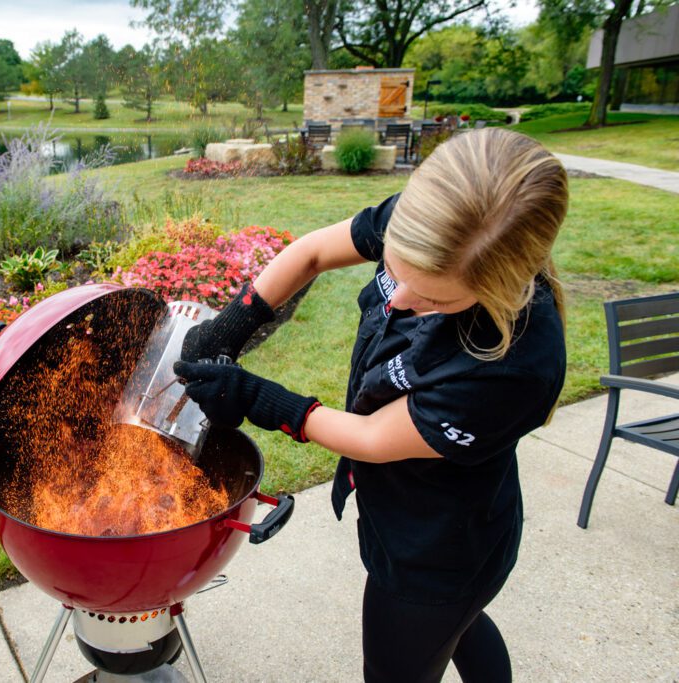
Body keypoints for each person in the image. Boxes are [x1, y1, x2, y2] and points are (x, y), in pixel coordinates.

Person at [173, 128, 569, 683]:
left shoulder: (515, 366)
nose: (399, 299)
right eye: (395, 270)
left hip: (438, 550)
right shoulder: (434, 221)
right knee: (461, 625)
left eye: (432, 299)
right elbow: (312, 253)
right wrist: (232, 325)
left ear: (496, 285)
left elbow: (374, 438)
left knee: (416, 649)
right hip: (404, 512)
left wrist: (261, 399)